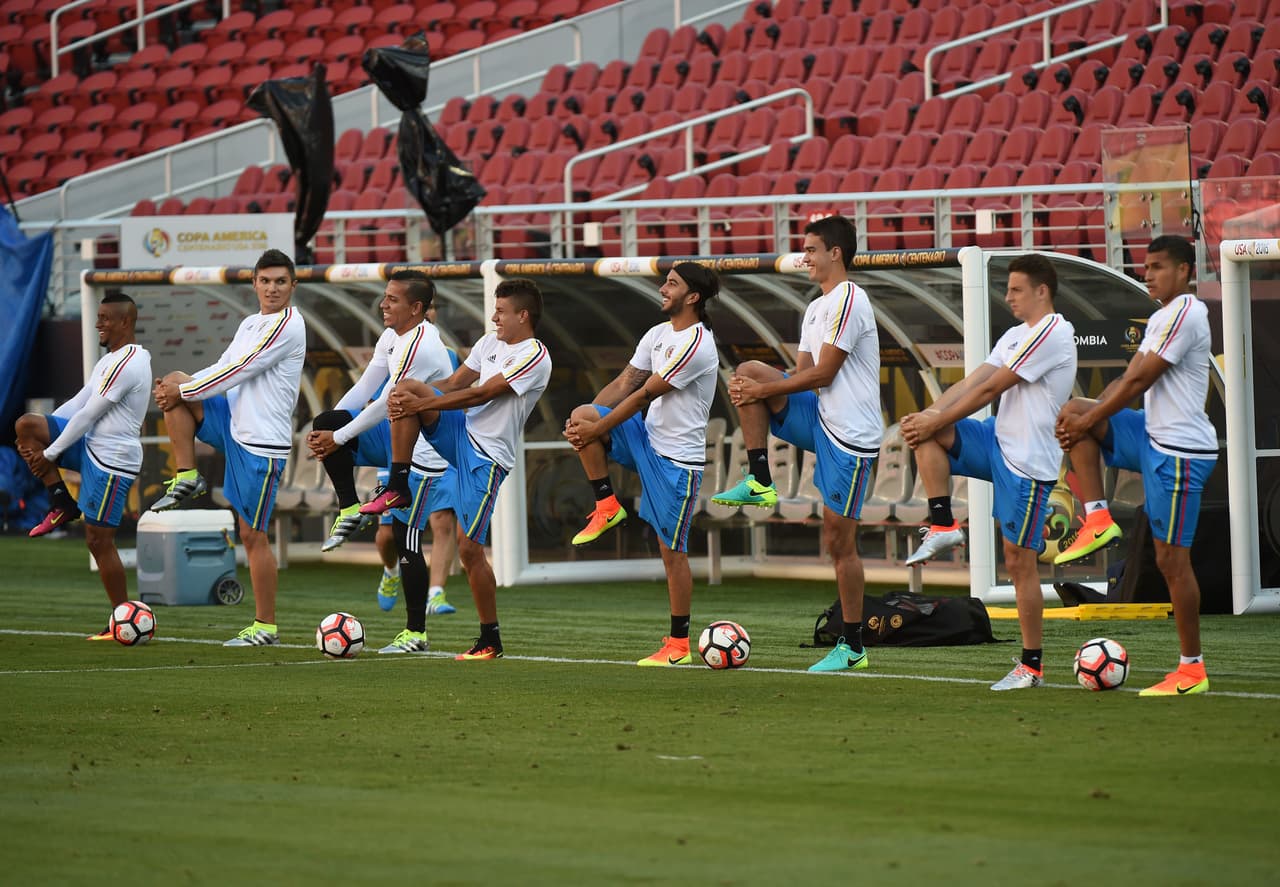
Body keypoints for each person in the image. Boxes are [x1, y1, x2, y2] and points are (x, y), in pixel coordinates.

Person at [710, 215, 883, 673]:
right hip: (820, 418)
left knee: (838, 541)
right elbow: (800, 375)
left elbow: (823, 374)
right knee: (747, 372)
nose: (803, 257)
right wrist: (755, 389)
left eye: (810, 249)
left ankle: (853, 647)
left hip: (851, 437)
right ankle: (761, 478)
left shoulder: (850, 299)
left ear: (835, 254)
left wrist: (764, 394)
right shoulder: (815, 307)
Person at [899, 254, 1076, 691]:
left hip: (1027, 461)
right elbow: (974, 381)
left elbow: (995, 388)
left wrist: (935, 419)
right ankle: (942, 523)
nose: (1008, 297)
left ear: (1042, 291)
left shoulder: (1054, 331)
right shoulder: (1016, 333)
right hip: (996, 439)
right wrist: (931, 414)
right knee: (926, 433)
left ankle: (1031, 665)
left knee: (1019, 563)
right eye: (1008, 288)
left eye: (1017, 289)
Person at [1055, 234, 1218, 697]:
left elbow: (1142, 378)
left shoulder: (1187, 312)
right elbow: (1128, 379)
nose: (1147, 273)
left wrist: (1092, 417)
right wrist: (1083, 419)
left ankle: (1192, 668)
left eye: (1158, 266)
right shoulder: (1162, 315)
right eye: (1144, 266)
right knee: (1071, 412)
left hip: (1180, 453)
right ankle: (1099, 517)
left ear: (1185, 271)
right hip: (1150, 436)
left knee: (1171, 562)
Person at [362, 278, 552, 661]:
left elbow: (482, 393)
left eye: (501, 312)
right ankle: (397, 483)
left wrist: (420, 408)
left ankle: (490, 639)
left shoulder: (535, 354)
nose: (494, 317)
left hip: (488, 458)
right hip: (461, 435)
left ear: (523, 315)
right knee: (405, 389)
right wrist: (413, 400)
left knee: (469, 550)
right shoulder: (487, 343)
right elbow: (451, 384)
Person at [563, 262, 721, 666]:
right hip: (646, 442)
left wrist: (596, 430)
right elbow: (621, 386)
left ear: (693, 297)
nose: (662, 288)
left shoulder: (698, 343)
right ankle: (606, 505)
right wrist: (587, 420)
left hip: (676, 463)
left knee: (672, 554)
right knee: (583, 413)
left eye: (672, 283)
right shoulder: (657, 334)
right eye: (664, 281)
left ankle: (679, 645)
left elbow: (640, 398)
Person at [150, 248, 307, 647]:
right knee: (176, 380)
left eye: (280, 281)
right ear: (254, 282)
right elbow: (222, 364)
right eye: (265, 280)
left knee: (252, 535)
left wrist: (180, 391)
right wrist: (177, 389)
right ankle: (187, 476)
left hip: (260, 443)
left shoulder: (288, 325)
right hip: (233, 424)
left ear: (293, 285)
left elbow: (239, 371)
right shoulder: (251, 322)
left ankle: (265, 626)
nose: (272, 288)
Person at [305, 270, 457, 653]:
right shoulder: (392, 336)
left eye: (392, 299)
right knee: (327, 419)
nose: (383, 304)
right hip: (394, 441)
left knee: (407, 541)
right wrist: (329, 434)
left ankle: (416, 634)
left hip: (424, 454)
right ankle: (349, 507)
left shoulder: (422, 346)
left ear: (416, 308)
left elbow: (390, 399)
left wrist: (339, 439)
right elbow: (365, 388)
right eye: (384, 296)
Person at [14, 293, 152, 638]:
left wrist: (50, 453)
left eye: (105, 318)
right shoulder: (110, 360)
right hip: (89, 446)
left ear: (125, 322)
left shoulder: (130, 363)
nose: (97, 324)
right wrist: (47, 434)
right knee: (27, 427)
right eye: (98, 317)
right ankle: (61, 501)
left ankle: (121, 618)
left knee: (98, 540)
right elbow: (79, 401)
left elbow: (90, 415)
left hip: (111, 461)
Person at [371, 297, 461, 616]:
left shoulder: (448, 356)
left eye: (433, 307)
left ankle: (435, 593)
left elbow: (456, 398)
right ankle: (391, 571)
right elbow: (377, 401)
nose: (429, 313)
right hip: (398, 455)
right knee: (386, 536)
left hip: (438, 454)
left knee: (443, 522)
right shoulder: (392, 351)